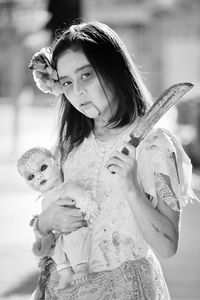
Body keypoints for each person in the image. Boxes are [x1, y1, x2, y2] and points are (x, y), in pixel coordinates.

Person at [28, 21, 198, 299]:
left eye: (86, 76)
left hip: (125, 290)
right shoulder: (67, 147)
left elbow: (167, 245)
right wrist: (45, 221)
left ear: (113, 70)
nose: (78, 92)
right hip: (63, 290)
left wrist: (131, 187)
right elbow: (50, 235)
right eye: (67, 82)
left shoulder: (155, 146)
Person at [17, 147, 100, 291]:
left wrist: (89, 205)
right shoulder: (43, 201)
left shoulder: (65, 188)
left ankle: (81, 268)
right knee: (54, 249)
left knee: (74, 240)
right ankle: (65, 272)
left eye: (42, 168)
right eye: (30, 176)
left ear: (56, 163)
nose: (38, 177)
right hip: (60, 236)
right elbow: (47, 225)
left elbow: (80, 195)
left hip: (76, 229)